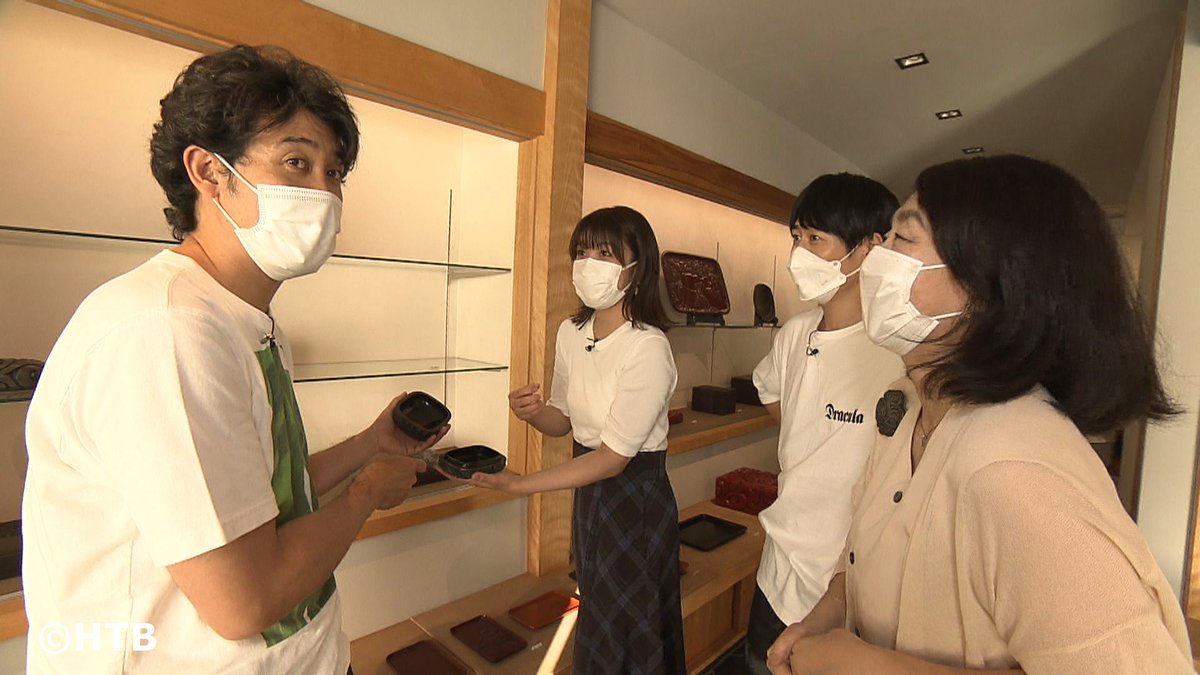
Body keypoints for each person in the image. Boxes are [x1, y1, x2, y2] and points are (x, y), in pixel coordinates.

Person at [22, 45, 440, 673]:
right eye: (296, 162)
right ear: (209, 171)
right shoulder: (166, 331)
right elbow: (244, 602)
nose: (323, 193)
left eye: (334, 173)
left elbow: (254, 497)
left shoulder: (241, 319)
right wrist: (364, 494)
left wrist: (368, 445)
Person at [766, 155, 1193, 674]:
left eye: (902, 239)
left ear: (989, 286)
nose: (878, 260)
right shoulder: (906, 411)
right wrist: (825, 617)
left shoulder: (1020, 475)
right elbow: (859, 553)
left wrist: (865, 668)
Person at [462, 206, 685, 675]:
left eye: (604, 253)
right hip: (590, 495)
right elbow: (564, 421)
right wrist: (533, 413)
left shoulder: (648, 347)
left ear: (636, 267)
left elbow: (613, 459)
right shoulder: (572, 331)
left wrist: (519, 484)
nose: (588, 264)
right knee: (597, 612)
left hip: (635, 500)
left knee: (631, 623)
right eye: (582, 252)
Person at [745, 173, 905, 674]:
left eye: (816, 239)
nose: (799, 254)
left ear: (870, 248)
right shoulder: (794, 335)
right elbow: (772, 392)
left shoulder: (898, 354)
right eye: (796, 237)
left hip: (850, 587)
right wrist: (812, 431)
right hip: (778, 570)